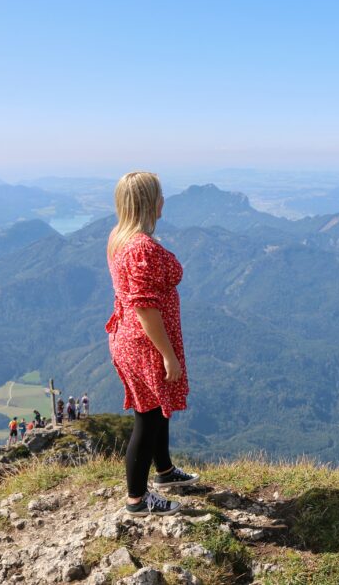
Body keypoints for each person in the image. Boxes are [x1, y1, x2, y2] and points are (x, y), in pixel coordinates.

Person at [106, 171, 199, 516]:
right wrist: (168, 355)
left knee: (159, 409)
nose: (164, 201)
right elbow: (145, 308)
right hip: (146, 342)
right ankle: (137, 500)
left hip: (127, 336)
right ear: (150, 203)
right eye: (160, 195)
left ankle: (164, 472)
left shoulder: (119, 237)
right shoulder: (141, 247)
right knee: (147, 419)